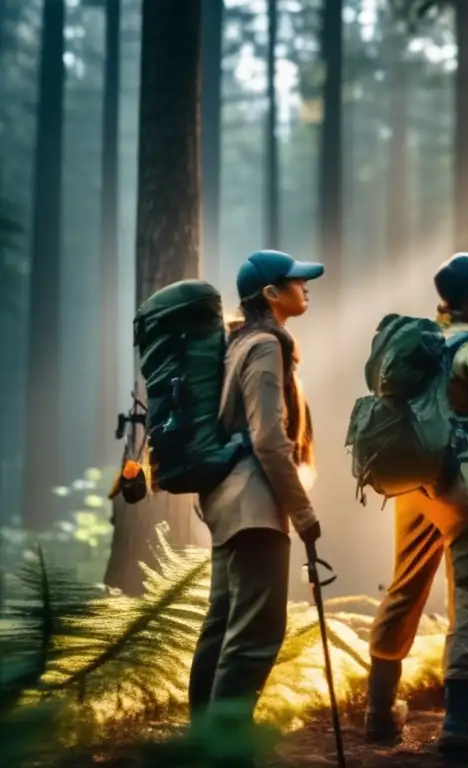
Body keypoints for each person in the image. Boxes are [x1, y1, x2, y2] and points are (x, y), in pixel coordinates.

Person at [365, 253, 468, 755]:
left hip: (416, 489)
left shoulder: (424, 345)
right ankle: (459, 719)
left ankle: (379, 709)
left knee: (404, 589)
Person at [188, 250, 324, 723]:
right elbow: (269, 437)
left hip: (228, 503)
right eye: (296, 280)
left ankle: (204, 744)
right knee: (255, 635)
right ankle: (226, 750)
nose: (306, 286)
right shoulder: (266, 345)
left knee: (223, 628)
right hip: (255, 507)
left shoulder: (238, 343)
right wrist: (304, 515)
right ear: (270, 294)